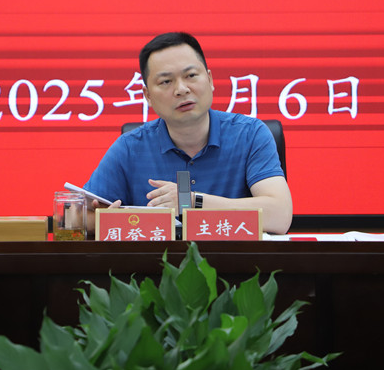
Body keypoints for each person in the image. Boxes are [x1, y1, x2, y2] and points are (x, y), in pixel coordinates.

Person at [85, 32, 293, 234]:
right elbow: (78, 215)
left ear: (210, 80)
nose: (181, 89)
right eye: (166, 81)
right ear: (147, 95)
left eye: (191, 76)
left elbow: (280, 216)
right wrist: (103, 220)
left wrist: (191, 201)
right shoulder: (129, 148)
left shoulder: (250, 135)